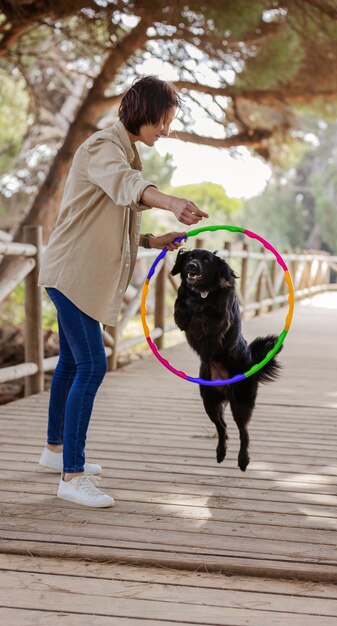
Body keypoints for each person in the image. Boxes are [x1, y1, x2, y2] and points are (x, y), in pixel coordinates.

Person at [38, 76, 208, 508]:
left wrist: (153, 241)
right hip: (72, 274)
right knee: (92, 366)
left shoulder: (123, 151)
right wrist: (170, 201)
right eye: (164, 120)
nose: (166, 130)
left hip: (75, 273)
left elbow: (115, 214)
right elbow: (125, 186)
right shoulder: (103, 147)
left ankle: (55, 450)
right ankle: (71, 476)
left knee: (73, 364)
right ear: (145, 111)